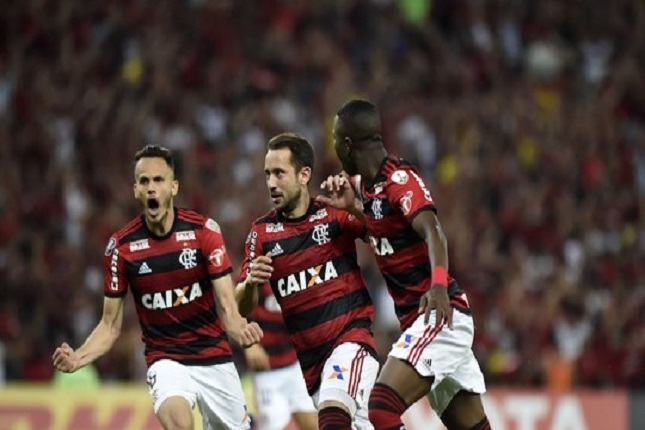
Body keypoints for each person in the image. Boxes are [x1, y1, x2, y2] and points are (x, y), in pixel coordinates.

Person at [52, 144, 263, 430]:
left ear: (173, 187)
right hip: (166, 361)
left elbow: (226, 304)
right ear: (135, 190)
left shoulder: (204, 232)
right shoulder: (121, 248)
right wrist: (79, 357)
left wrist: (240, 329)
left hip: (214, 357)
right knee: (179, 424)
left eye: (159, 180)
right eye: (144, 181)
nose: (152, 188)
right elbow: (110, 325)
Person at [317, 99, 490, 430]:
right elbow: (387, 237)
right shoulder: (366, 189)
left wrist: (438, 284)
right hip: (419, 322)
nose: (334, 148)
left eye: (336, 140)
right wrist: (354, 211)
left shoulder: (399, 180)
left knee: (381, 407)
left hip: (439, 313)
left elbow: (434, 232)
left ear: (348, 144)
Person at [235, 132, 379, 430]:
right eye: (267, 175)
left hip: (351, 342)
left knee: (331, 417)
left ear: (304, 174)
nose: (271, 183)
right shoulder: (261, 232)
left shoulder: (333, 212)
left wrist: (354, 208)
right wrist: (249, 283)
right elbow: (241, 305)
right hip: (310, 366)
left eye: (279, 173)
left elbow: (384, 236)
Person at [239, 282, 318, 430]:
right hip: (267, 372)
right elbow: (231, 305)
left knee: (314, 424)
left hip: (297, 365)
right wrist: (249, 345)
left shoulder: (296, 267)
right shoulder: (253, 269)